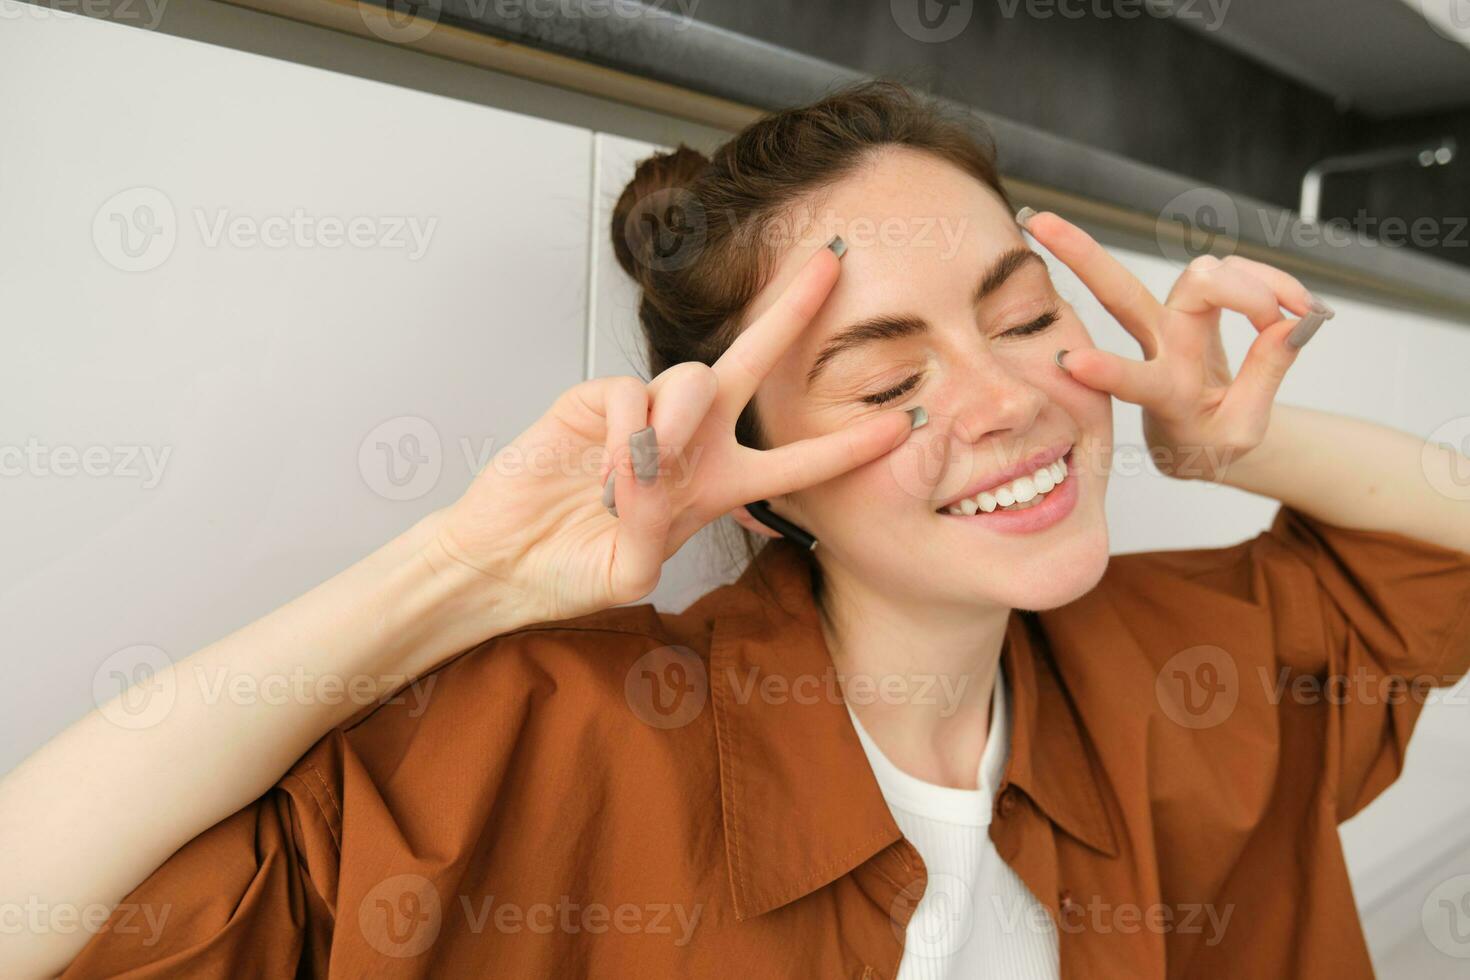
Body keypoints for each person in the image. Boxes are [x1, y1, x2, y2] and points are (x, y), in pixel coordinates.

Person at [5, 79, 1470, 980]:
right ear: (760, 458)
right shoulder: (569, 738)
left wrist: (1228, 441)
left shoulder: (1187, 664)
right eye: (889, 378)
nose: (1010, 399)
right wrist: (460, 574)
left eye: (1023, 320)